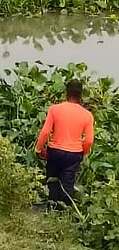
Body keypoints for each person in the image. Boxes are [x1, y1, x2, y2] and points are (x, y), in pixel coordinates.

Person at [35, 80, 95, 208]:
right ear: (80, 95)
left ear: (66, 93)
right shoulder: (87, 115)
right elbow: (89, 140)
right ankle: (64, 212)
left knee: (52, 180)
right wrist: (81, 153)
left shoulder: (55, 109)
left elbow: (45, 132)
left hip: (55, 151)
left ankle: (51, 208)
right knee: (68, 184)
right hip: (74, 154)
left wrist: (38, 149)